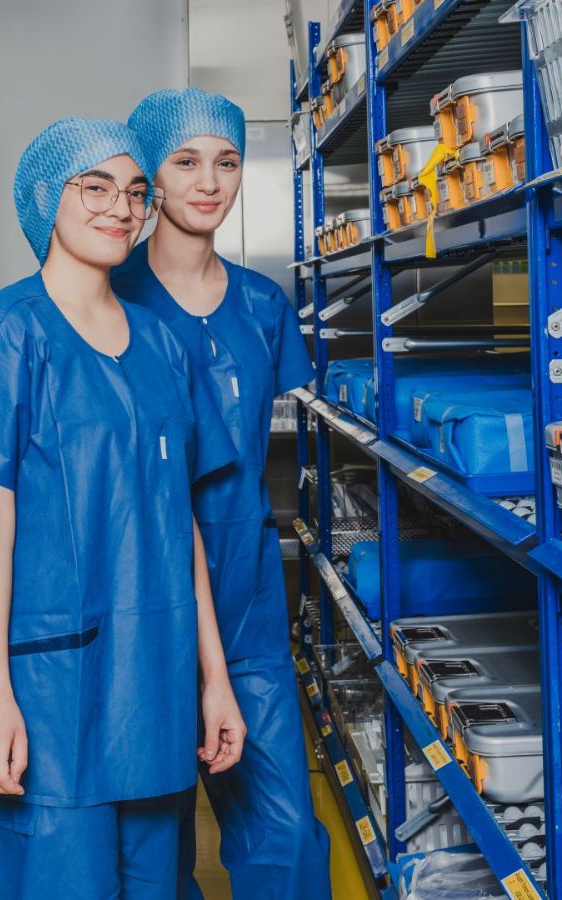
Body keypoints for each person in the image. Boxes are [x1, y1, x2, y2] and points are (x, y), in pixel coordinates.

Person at [0, 117, 247, 900]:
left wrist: (215, 678)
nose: (122, 208)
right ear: (45, 199)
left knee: (157, 883)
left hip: (154, 683)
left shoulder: (163, 345)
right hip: (52, 690)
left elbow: (181, 525)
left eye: (135, 192)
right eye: (94, 187)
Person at [113, 88, 332, 899]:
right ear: (153, 179)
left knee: (284, 834)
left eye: (228, 161)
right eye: (186, 161)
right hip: (144, 594)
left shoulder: (265, 307)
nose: (209, 181)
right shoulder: (111, 301)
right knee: (148, 849)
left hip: (246, 593)